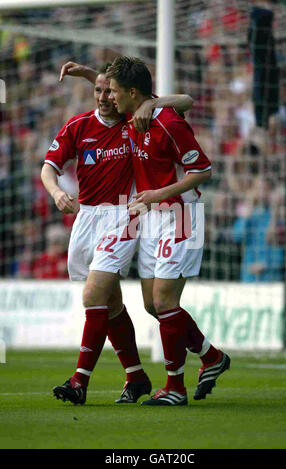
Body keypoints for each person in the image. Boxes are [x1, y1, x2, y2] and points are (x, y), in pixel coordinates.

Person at [41, 62, 195, 405]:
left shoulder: (134, 118)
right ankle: (137, 375)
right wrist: (55, 192)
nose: (104, 96)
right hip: (86, 218)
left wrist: (152, 103)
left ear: (123, 94)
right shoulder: (78, 125)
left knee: (95, 296)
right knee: (109, 303)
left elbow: (185, 100)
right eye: (98, 90)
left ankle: (79, 381)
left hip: (126, 214)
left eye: (109, 90)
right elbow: (48, 168)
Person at [105, 56, 231, 406]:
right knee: (152, 304)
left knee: (164, 301)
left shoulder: (168, 122)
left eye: (115, 91)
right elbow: (183, 97)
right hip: (150, 217)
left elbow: (203, 170)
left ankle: (175, 386)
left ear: (133, 92)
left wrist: (158, 193)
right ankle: (212, 357)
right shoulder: (132, 114)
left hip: (181, 214)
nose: (110, 98)